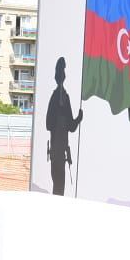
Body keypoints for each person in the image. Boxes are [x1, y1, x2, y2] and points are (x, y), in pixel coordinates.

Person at [44, 56, 83, 196]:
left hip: (59, 152)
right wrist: (73, 119)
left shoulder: (63, 97)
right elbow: (49, 124)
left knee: (60, 187)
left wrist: (77, 118)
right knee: (58, 187)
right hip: (56, 151)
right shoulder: (57, 97)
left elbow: (71, 126)